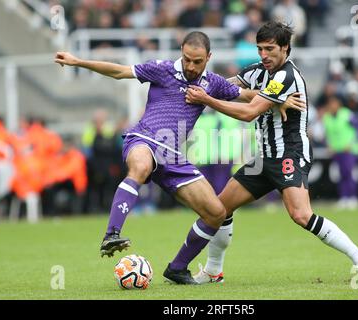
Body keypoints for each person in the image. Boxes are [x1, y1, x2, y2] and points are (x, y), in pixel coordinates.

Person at [55, 31, 302, 284]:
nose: (191, 66)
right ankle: (112, 233)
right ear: (181, 52)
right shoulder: (161, 69)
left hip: (172, 156)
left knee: (216, 212)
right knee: (139, 167)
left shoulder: (212, 83)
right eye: (187, 59)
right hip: (145, 139)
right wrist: (78, 61)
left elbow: (247, 96)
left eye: (197, 61)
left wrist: (276, 102)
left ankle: (177, 268)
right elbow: (119, 71)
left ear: (208, 57)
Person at [186, 21, 358, 284]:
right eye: (260, 49)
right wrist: (193, 77)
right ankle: (212, 271)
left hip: (290, 153)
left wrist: (206, 99)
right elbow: (224, 85)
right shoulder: (257, 72)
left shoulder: (286, 76)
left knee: (301, 215)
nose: (264, 55)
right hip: (265, 157)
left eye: (270, 49)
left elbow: (250, 112)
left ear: (285, 48)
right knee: (220, 208)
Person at [323, 95, 358, 210]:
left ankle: (353, 197)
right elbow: (328, 134)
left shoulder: (346, 114)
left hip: (349, 150)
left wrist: (351, 144)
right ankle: (344, 197)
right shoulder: (327, 117)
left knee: (349, 173)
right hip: (337, 150)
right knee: (341, 175)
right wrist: (329, 145)